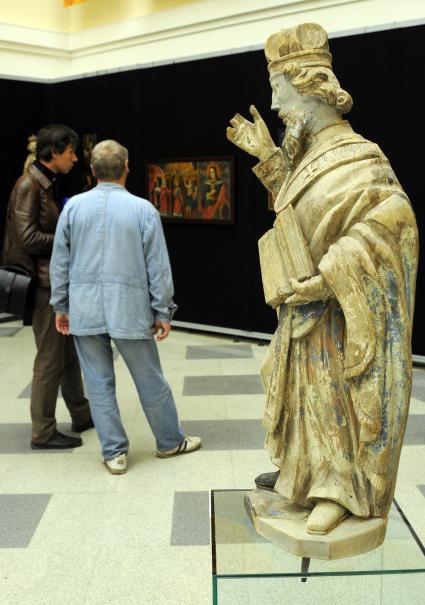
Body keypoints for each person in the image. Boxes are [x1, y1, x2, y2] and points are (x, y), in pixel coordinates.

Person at [227, 23, 418, 534]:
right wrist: (268, 158)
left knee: (333, 391)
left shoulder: (361, 156)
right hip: (301, 307)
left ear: (309, 87)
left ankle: (341, 487)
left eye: (278, 90)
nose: (274, 104)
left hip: (337, 311)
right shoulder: (310, 153)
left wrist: (330, 276)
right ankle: (303, 474)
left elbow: (392, 226)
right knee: (299, 389)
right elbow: (295, 209)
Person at [49, 139, 201, 474]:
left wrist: (61, 305)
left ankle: (114, 453)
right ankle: (169, 441)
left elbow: (59, 261)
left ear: (92, 169)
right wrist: (163, 311)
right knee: (150, 380)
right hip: (130, 309)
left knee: (98, 383)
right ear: (126, 168)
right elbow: (158, 267)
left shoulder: (73, 208)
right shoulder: (143, 210)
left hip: (84, 308)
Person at [2, 124, 93, 449]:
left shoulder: (43, 183)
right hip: (43, 286)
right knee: (50, 359)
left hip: (51, 281)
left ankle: (82, 415)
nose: (75, 158)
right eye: (70, 152)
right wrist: (67, 239)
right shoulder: (29, 185)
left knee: (67, 355)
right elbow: (26, 237)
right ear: (53, 152)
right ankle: (42, 432)